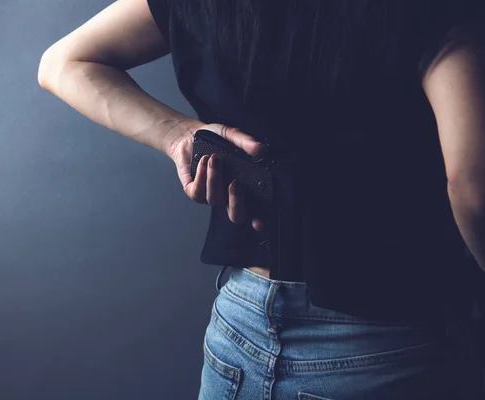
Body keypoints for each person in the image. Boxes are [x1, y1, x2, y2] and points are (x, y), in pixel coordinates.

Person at [37, 0, 485, 398]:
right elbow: (471, 182)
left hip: (239, 326)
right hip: (391, 341)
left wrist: (179, 135)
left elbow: (63, 62)